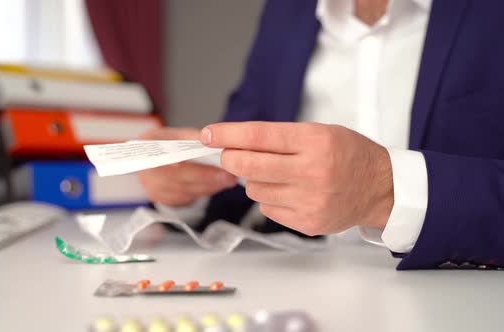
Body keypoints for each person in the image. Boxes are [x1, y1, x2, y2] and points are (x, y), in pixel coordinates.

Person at [138, 0, 504, 270]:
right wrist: (186, 188)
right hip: (296, 295)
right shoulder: (287, 12)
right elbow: (240, 179)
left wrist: (384, 190)